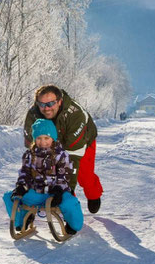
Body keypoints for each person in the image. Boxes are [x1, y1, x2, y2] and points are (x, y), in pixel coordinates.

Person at [23, 84, 103, 214]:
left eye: (51, 104)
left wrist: (66, 189)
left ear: (59, 101)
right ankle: (68, 207)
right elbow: (32, 147)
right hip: (51, 141)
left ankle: (93, 194)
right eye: (42, 104)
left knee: (83, 175)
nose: (46, 108)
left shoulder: (75, 114)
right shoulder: (33, 114)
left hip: (82, 141)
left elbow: (73, 157)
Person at [3, 119, 83, 234]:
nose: (43, 142)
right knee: (10, 197)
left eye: (46, 138)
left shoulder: (61, 155)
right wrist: (22, 186)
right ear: (35, 139)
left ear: (53, 138)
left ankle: (73, 225)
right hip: (37, 192)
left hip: (56, 193)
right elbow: (25, 173)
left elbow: (65, 175)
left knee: (69, 202)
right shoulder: (29, 155)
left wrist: (58, 190)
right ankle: (22, 221)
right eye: (39, 138)